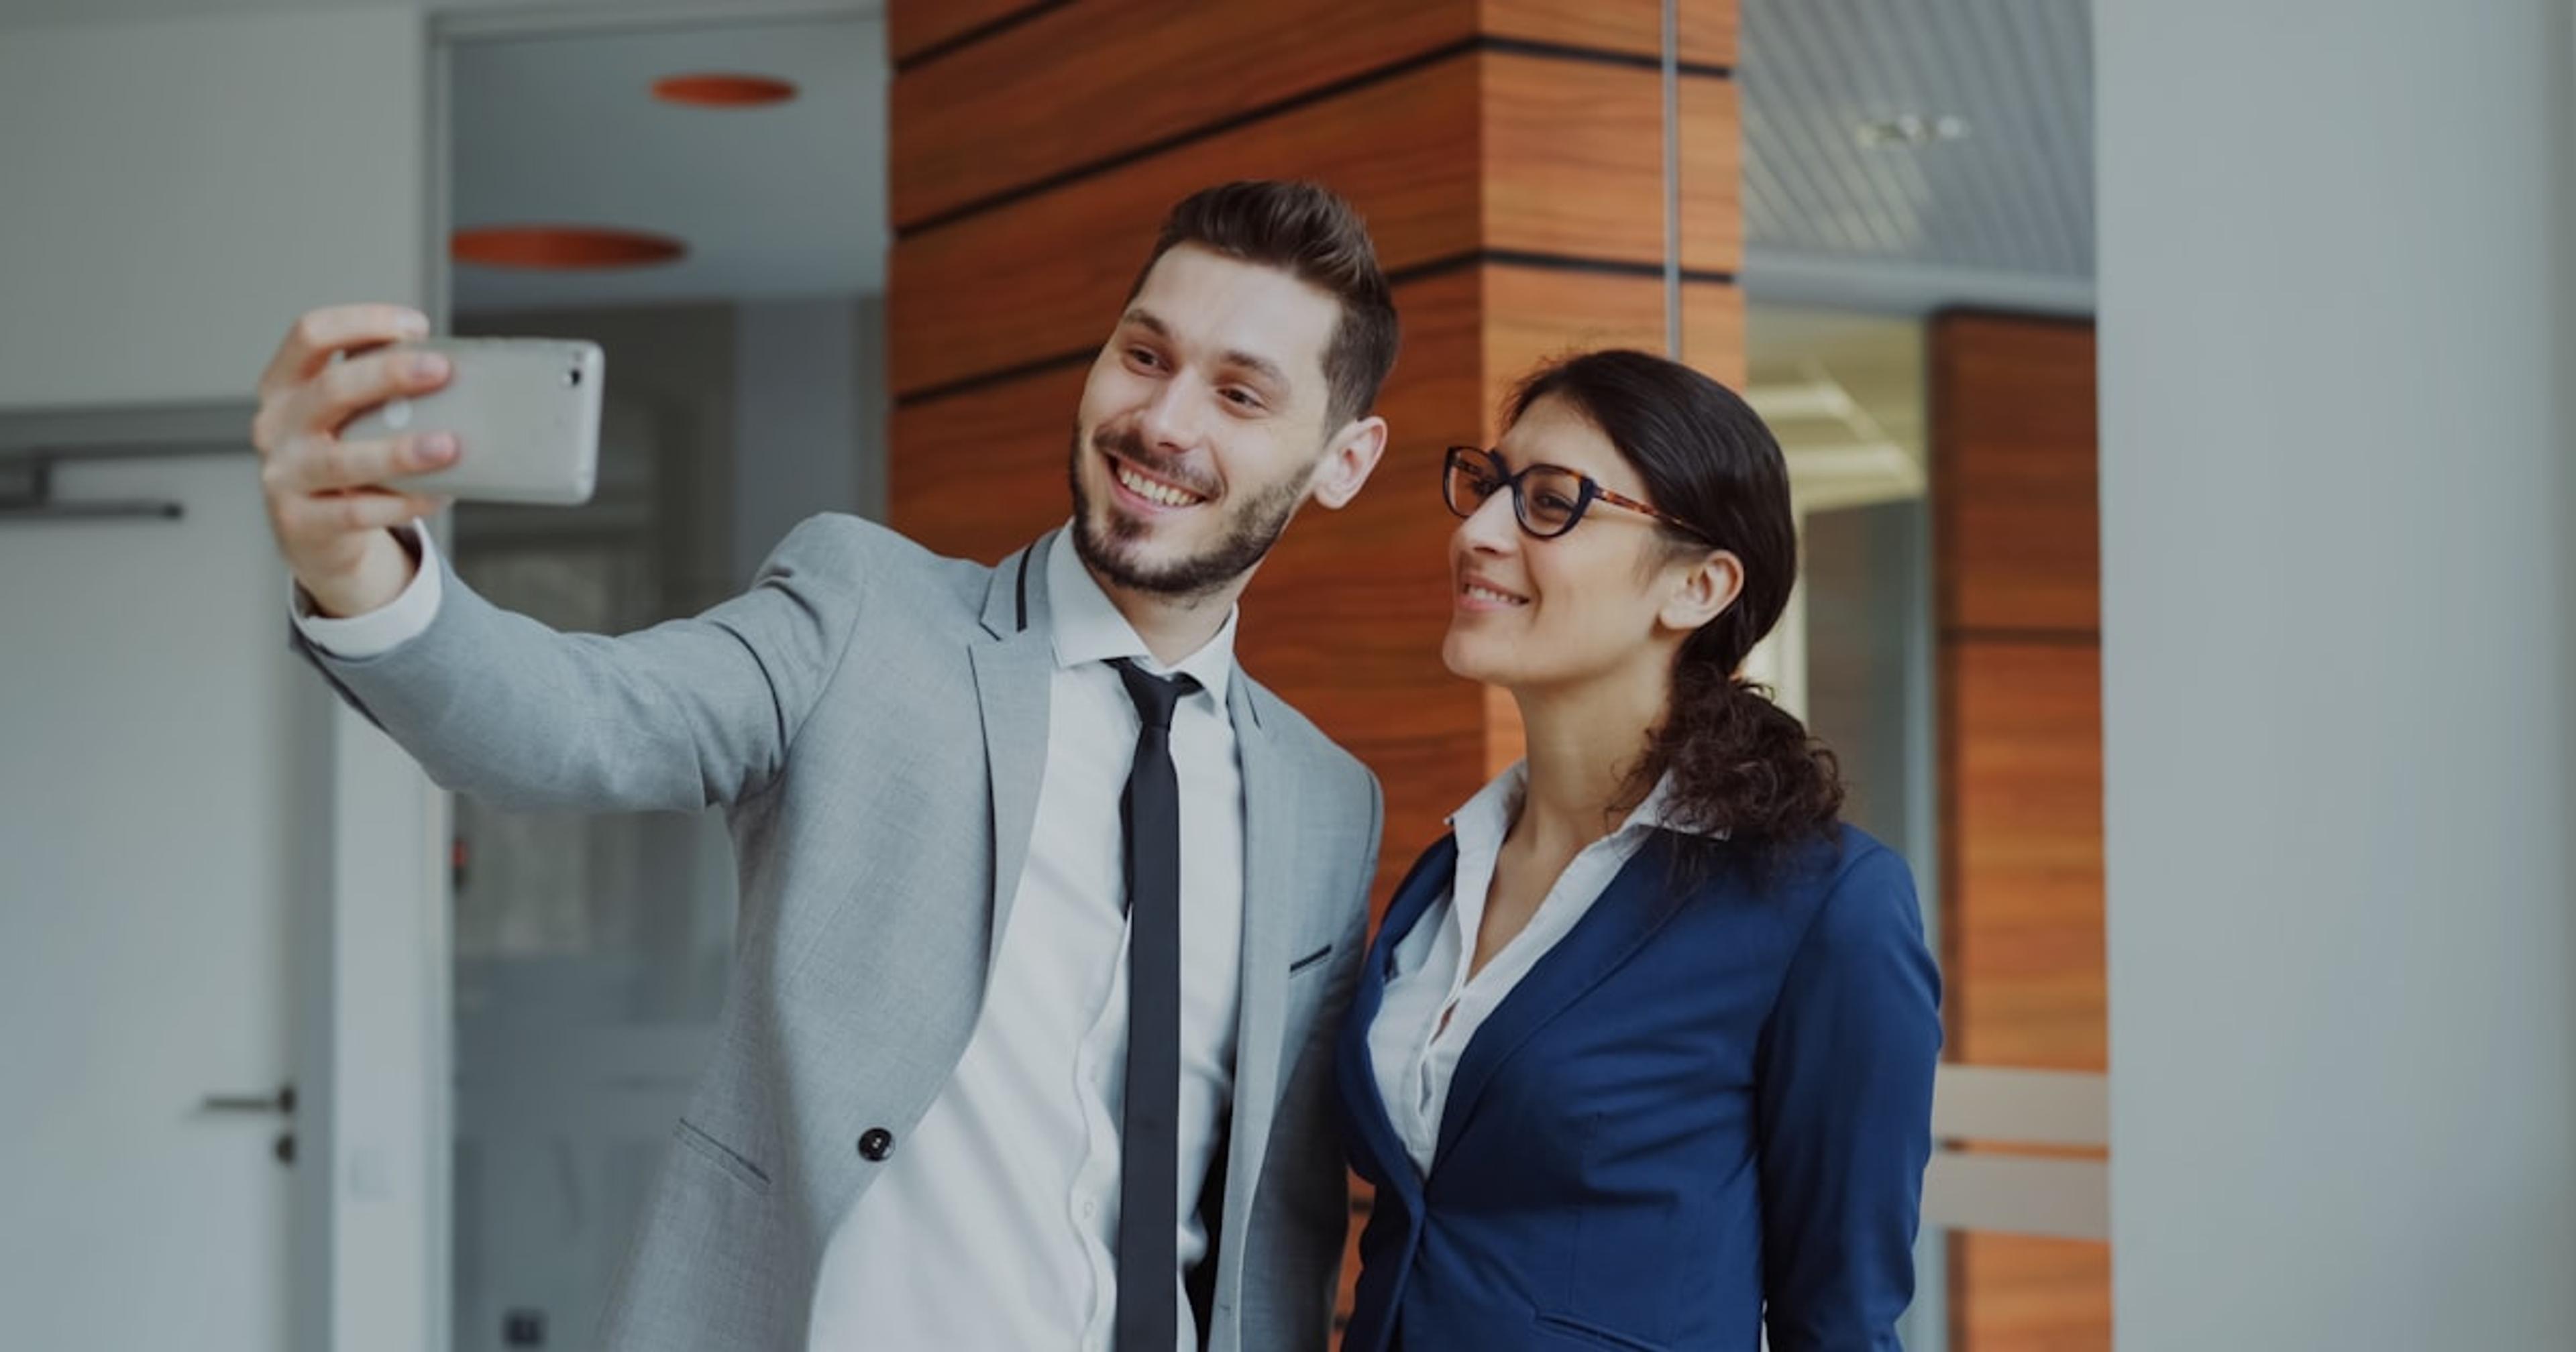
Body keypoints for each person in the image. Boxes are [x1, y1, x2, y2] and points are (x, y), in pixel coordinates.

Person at [251, 180, 1398, 1352]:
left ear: (1344, 460)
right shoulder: (865, 614)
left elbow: (1279, 1220)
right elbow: (578, 723)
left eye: (1240, 393)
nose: (1163, 421)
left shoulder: (1325, 801)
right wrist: (365, 576)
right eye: (1144, 355)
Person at [1336, 350, 1941, 1352]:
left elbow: (1839, 1323)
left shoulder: (1826, 906)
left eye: (1551, 502)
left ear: (1698, 585)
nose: (1479, 531)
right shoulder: (1452, 869)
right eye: (1486, 487)